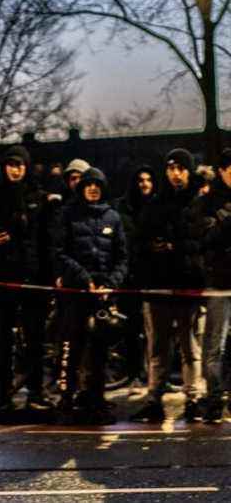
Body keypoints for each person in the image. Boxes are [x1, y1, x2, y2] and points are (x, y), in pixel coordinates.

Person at [130, 148, 204, 423]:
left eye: (180, 168)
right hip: (159, 286)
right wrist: (153, 247)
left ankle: (193, 399)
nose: (175, 173)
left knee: (190, 348)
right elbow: (139, 240)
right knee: (158, 348)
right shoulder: (156, 203)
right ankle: (154, 399)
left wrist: (178, 248)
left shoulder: (199, 201)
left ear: (189, 170)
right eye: (171, 168)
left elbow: (204, 241)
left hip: (188, 286)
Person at [0, 145, 54, 411]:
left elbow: (45, 240)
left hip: (32, 277)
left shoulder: (39, 196)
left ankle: (35, 392)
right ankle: (4, 394)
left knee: (35, 338)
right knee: (3, 339)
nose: (15, 169)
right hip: (3, 275)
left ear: (26, 167)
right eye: (10, 164)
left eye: (19, 165)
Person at [54, 167, 128, 425]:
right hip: (76, 294)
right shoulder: (68, 215)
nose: (93, 188)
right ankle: (66, 402)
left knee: (99, 354)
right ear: (82, 188)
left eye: (98, 184)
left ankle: (96, 403)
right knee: (70, 349)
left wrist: (110, 283)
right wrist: (85, 279)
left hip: (103, 297)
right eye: (89, 184)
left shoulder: (113, 217)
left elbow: (122, 257)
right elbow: (60, 253)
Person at [188, 148, 231, 423]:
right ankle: (214, 399)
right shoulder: (207, 201)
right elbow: (205, 238)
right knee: (214, 344)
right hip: (220, 282)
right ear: (224, 170)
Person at [114, 166, 158, 393]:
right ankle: (134, 372)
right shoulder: (123, 208)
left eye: (149, 180)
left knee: (154, 331)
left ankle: (151, 374)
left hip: (151, 276)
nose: (145, 184)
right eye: (141, 180)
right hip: (130, 278)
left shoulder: (157, 205)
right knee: (132, 328)